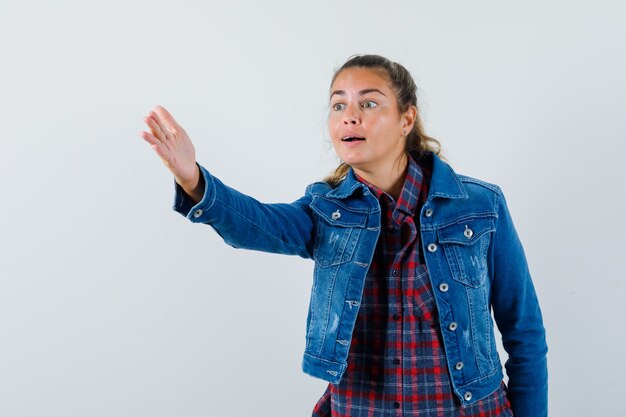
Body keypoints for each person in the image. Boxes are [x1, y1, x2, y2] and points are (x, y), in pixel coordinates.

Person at [139, 54, 548, 417]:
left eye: (368, 103)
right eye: (339, 105)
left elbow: (524, 331)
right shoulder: (325, 210)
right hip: (359, 406)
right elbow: (258, 224)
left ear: (407, 119)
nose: (350, 116)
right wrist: (193, 178)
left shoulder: (480, 205)